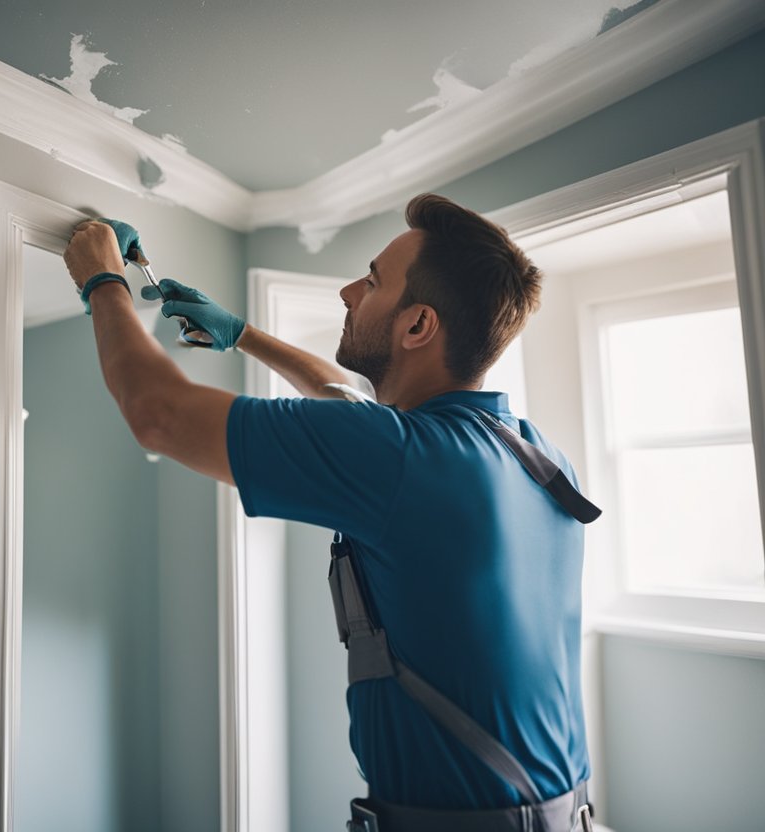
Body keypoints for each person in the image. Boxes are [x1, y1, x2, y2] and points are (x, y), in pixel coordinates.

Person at [62, 194, 595, 832]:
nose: (347, 292)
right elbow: (349, 406)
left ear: (417, 326)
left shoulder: (399, 460)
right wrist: (241, 333)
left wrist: (103, 280)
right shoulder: (531, 451)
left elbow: (159, 413)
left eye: (371, 282)